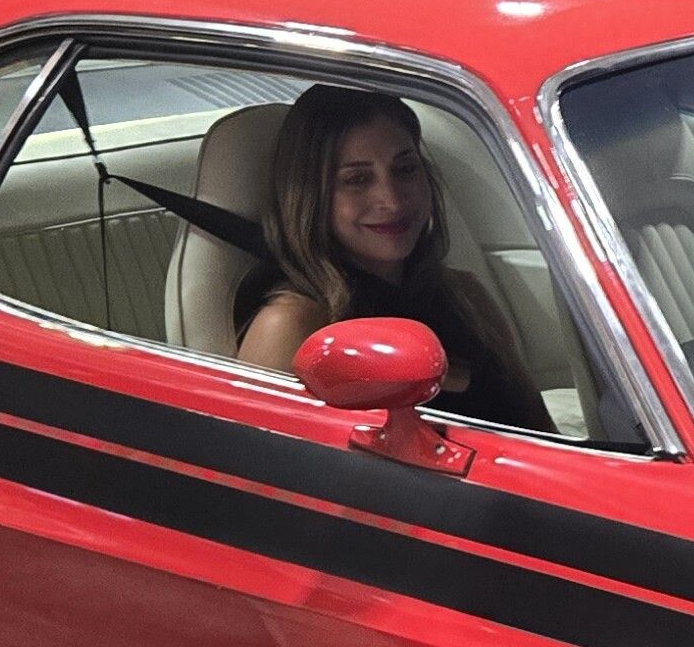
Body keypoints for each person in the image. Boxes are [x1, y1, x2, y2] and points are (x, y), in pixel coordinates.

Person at [234, 84, 552, 433]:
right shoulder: (291, 326)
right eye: (357, 179)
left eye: (405, 169)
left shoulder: (466, 295)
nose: (392, 200)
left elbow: (543, 432)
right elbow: (257, 460)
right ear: (312, 196)